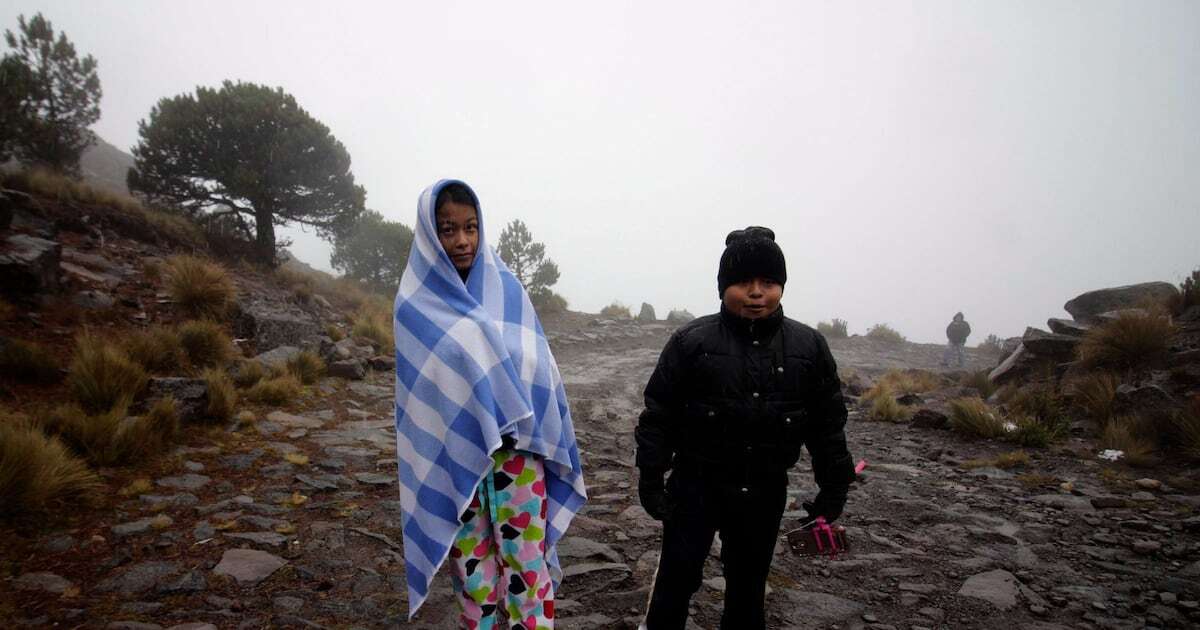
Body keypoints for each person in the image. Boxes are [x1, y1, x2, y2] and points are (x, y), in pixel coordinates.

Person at [635, 226, 856, 630]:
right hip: (694, 488)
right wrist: (651, 478)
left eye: (769, 282)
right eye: (743, 282)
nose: (757, 292)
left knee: (748, 590)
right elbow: (659, 414)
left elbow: (827, 425)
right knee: (676, 582)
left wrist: (834, 486)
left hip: (764, 492)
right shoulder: (691, 341)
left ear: (781, 286)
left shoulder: (809, 348)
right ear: (723, 287)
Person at [393, 180, 587, 629]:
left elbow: (538, 371)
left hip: (518, 456)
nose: (462, 240)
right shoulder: (413, 306)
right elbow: (421, 400)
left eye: (470, 227)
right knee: (472, 576)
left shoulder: (508, 291)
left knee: (527, 566)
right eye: (447, 229)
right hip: (457, 464)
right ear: (429, 234)